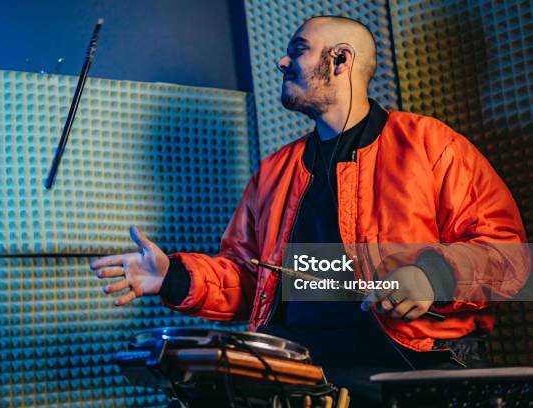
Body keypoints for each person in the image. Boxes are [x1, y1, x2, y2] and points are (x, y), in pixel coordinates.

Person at [90, 16, 529, 406]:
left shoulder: (430, 144)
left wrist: (432, 277)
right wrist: (173, 276)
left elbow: (510, 258)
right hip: (295, 369)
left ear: (340, 60)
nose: (282, 62)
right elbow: (249, 280)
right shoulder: (275, 170)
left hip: (413, 363)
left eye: (297, 50)